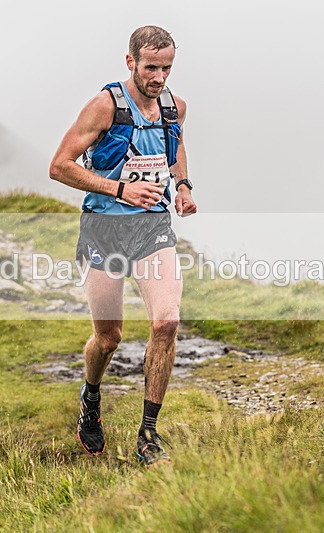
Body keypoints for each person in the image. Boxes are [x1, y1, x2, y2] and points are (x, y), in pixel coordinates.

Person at [49, 25, 196, 465]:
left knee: (166, 322)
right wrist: (119, 190)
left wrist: (183, 185)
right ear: (130, 61)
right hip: (104, 230)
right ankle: (90, 397)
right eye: (151, 67)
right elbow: (59, 167)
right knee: (108, 338)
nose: (159, 77)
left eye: (166, 67)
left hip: (152, 228)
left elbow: (176, 148)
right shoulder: (104, 105)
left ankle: (148, 434)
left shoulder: (174, 106)